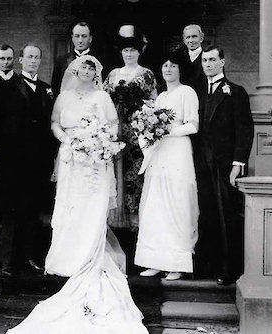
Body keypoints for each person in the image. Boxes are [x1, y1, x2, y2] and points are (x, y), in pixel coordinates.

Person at [6, 54, 148, 334]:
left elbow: (113, 126)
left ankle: (89, 253)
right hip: (71, 157)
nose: (86, 70)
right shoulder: (64, 97)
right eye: (82, 66)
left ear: (96, 72)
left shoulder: (102, 98)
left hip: (94, 160)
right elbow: (55, 123)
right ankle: (66, 256)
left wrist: (97, 139)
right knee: (70, 206)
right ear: (75, 70)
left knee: (90, 208)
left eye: (91, 67)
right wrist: (68, 138)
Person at [0, 43, 56, 278]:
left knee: (32, 211)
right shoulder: (7, 87)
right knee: (10, 212)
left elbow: (50, 126)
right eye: (29, 57)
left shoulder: (46, 89)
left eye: (37, 57)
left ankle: (29, 257)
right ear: (21, 60)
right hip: (13, 161)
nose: (33, 61)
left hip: (37, 162)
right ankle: (7, 262)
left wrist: (50, 157)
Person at [134, 52, 199, 279]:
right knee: (157, 204)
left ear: (181, 69)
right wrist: (149, 132)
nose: (169, 69)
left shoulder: (187, 92)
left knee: (177, 203)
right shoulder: (160, 97)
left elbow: (193, 125)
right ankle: (155, 260)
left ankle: (176, 263)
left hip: (178, 152)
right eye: (165, 65)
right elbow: (149, 124)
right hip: (159, 153)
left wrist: (167, 130)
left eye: (173, 65)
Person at [193, 45, 254, 285]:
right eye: (204, 60)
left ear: (222, 62)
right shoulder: (197, 92)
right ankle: (209, 264)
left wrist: (238, 163)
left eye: (212, 60)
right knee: (206, 212)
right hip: (202, 161)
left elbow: (244, 129)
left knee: (226, 212)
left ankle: (231, 268)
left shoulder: (235, 92)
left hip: (225, 163)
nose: (207, 64)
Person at [104, 24, 157, 228]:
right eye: (125, 50)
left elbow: (153, 102)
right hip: (117, 131)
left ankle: (137, 222)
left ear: (139, 51)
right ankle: (117, 222)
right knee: (116, 173)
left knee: (135, 175)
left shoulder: (147, 74)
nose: (128, 54)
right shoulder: (113, 74)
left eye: (132, 50)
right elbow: (104, 101)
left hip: (137, 132)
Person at [51, 21, 95, 95]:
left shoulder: (97, 61)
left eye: (84, 36)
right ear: (72, 38)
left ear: (90, 39)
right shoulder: (62, 61)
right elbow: (55, 88)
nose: (80, 40)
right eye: (77, 36)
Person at [182, 24, 206, 91]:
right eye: (188, 37)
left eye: (194, 37)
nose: (191, 40)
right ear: (184, 40)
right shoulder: (179, 58)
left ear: (201, 38)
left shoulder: (208, 57)